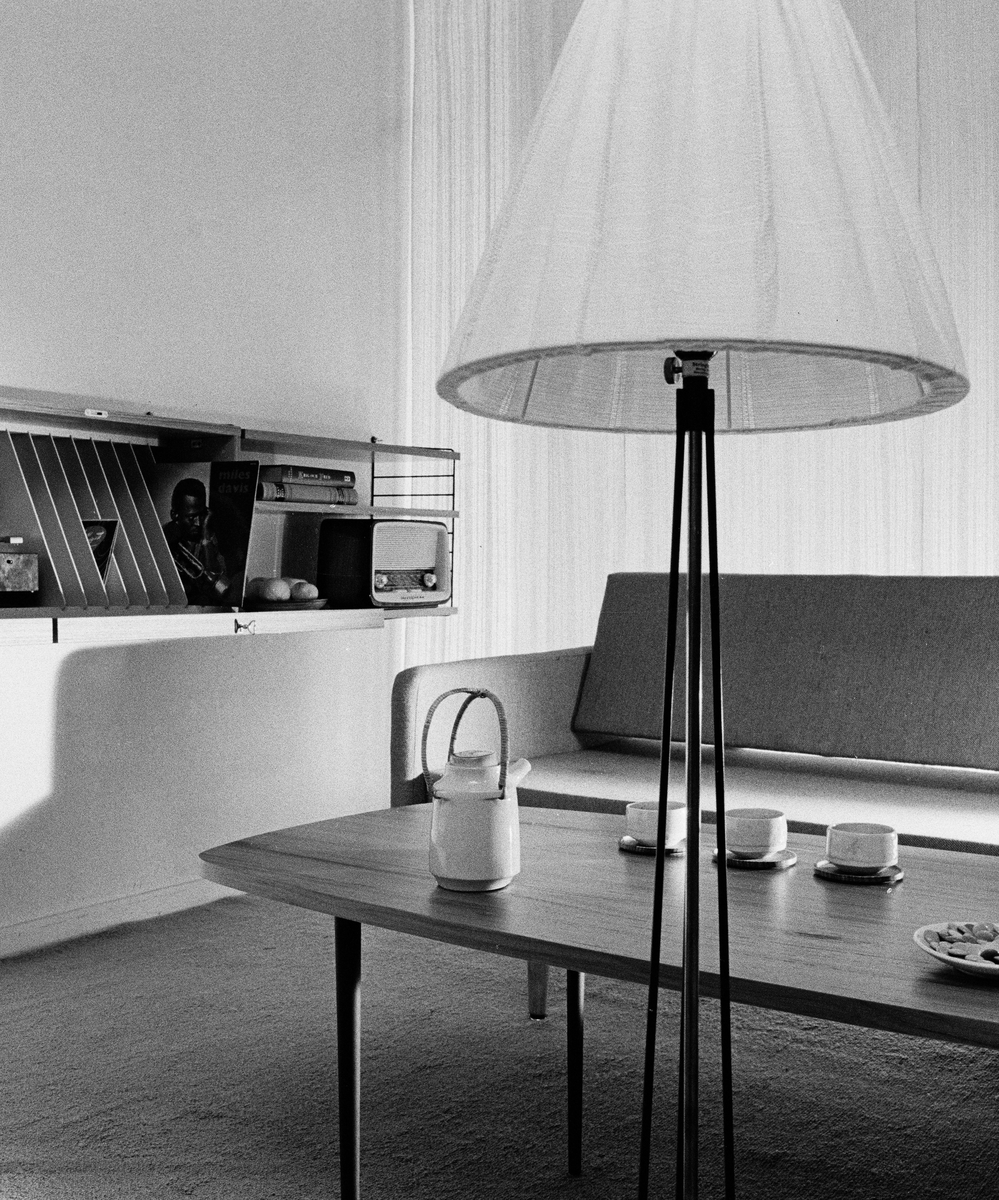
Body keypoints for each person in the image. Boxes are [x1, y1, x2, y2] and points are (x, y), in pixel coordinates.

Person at [162, 478, 234, 605]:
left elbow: (217, 583)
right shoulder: (162, 538)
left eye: (201, 515)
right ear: (175, 515)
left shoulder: (208, 536)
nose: (198, 523)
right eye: (191, 517)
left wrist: (206, 539)